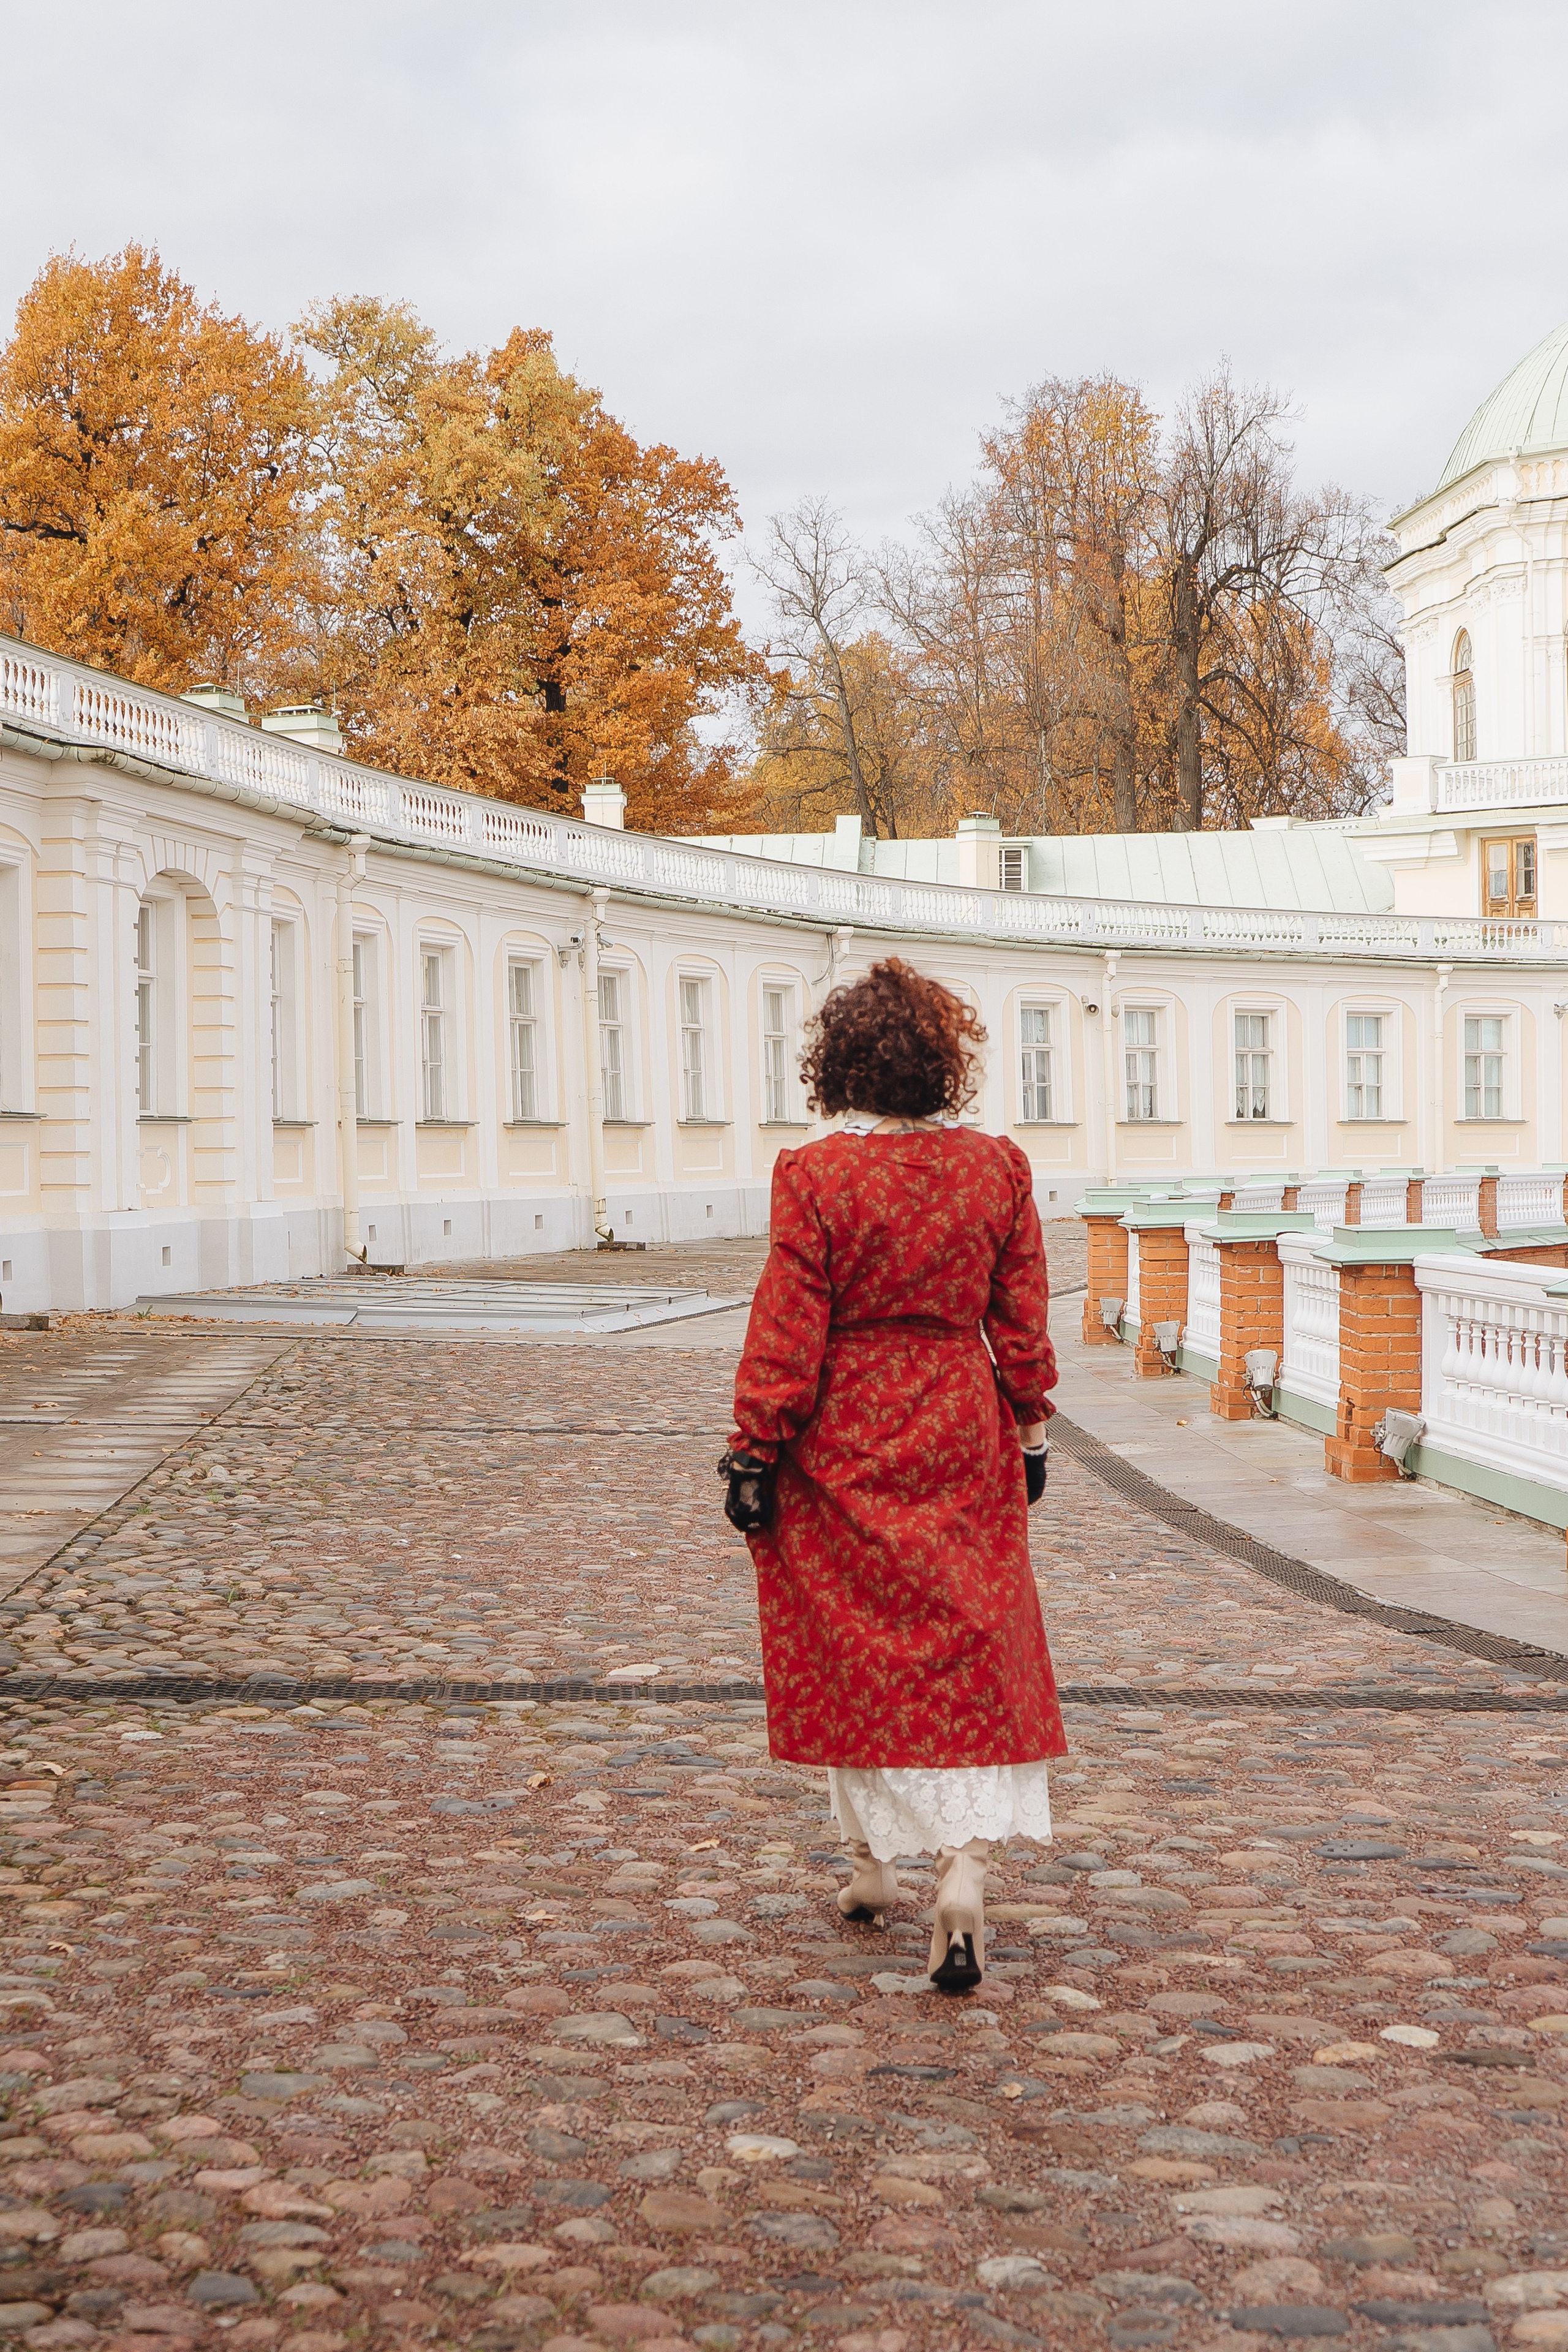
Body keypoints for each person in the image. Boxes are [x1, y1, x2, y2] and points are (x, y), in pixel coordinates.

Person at [720, 956, 1065, 1994]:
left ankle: (871, 1863)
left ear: (840, 1067)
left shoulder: (817, 1175)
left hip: (848, 1424)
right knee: (972, 1636)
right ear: (943, 1066)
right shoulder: (997, 1169)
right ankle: (959, 1869)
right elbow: (1022, 1320)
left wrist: (755, 1445)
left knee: (851, 1639)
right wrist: (1031, 1426)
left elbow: (787, 1327)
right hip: (960, 1415)